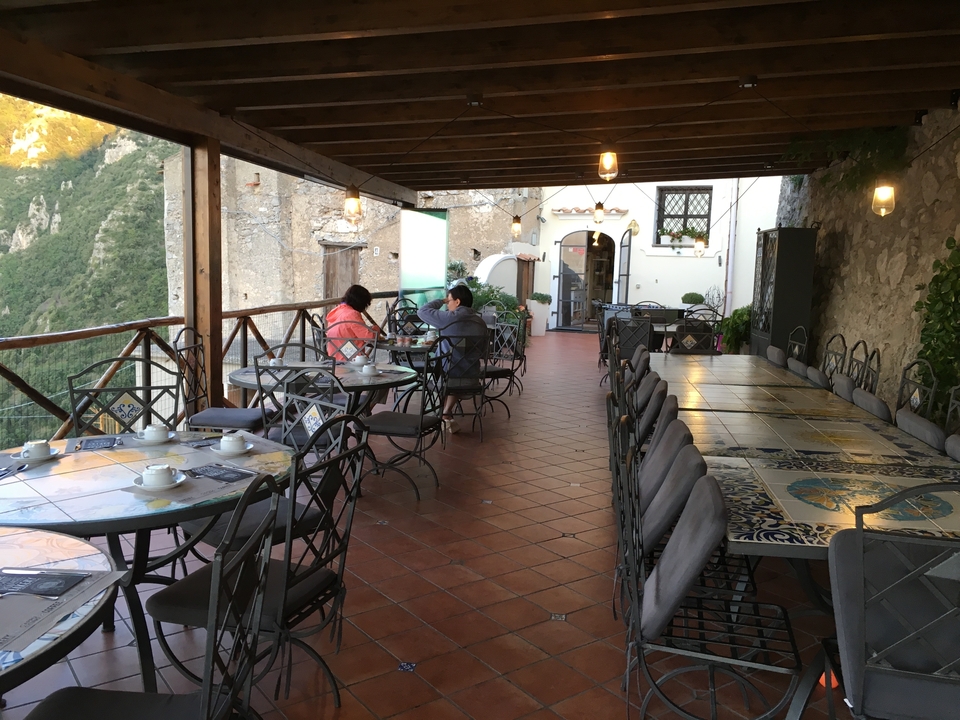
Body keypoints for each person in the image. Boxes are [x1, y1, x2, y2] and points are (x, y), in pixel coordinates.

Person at [418, 285, 488, 434]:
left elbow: (422, 311)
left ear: (457, 302)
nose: (447, 304)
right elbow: (483, 351)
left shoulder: (449, 318)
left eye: (449, 301)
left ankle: (443, 413)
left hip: (446, 379)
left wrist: (441, 300)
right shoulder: (480, 322)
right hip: (472, 378)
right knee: (457, 362)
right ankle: (446, 413)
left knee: (442, 364)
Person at [324, 285, 382, 361]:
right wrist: (376, 328)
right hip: (350, 360)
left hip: (334, 357)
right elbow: (370, 337)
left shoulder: (337, 311)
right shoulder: (352, 314)